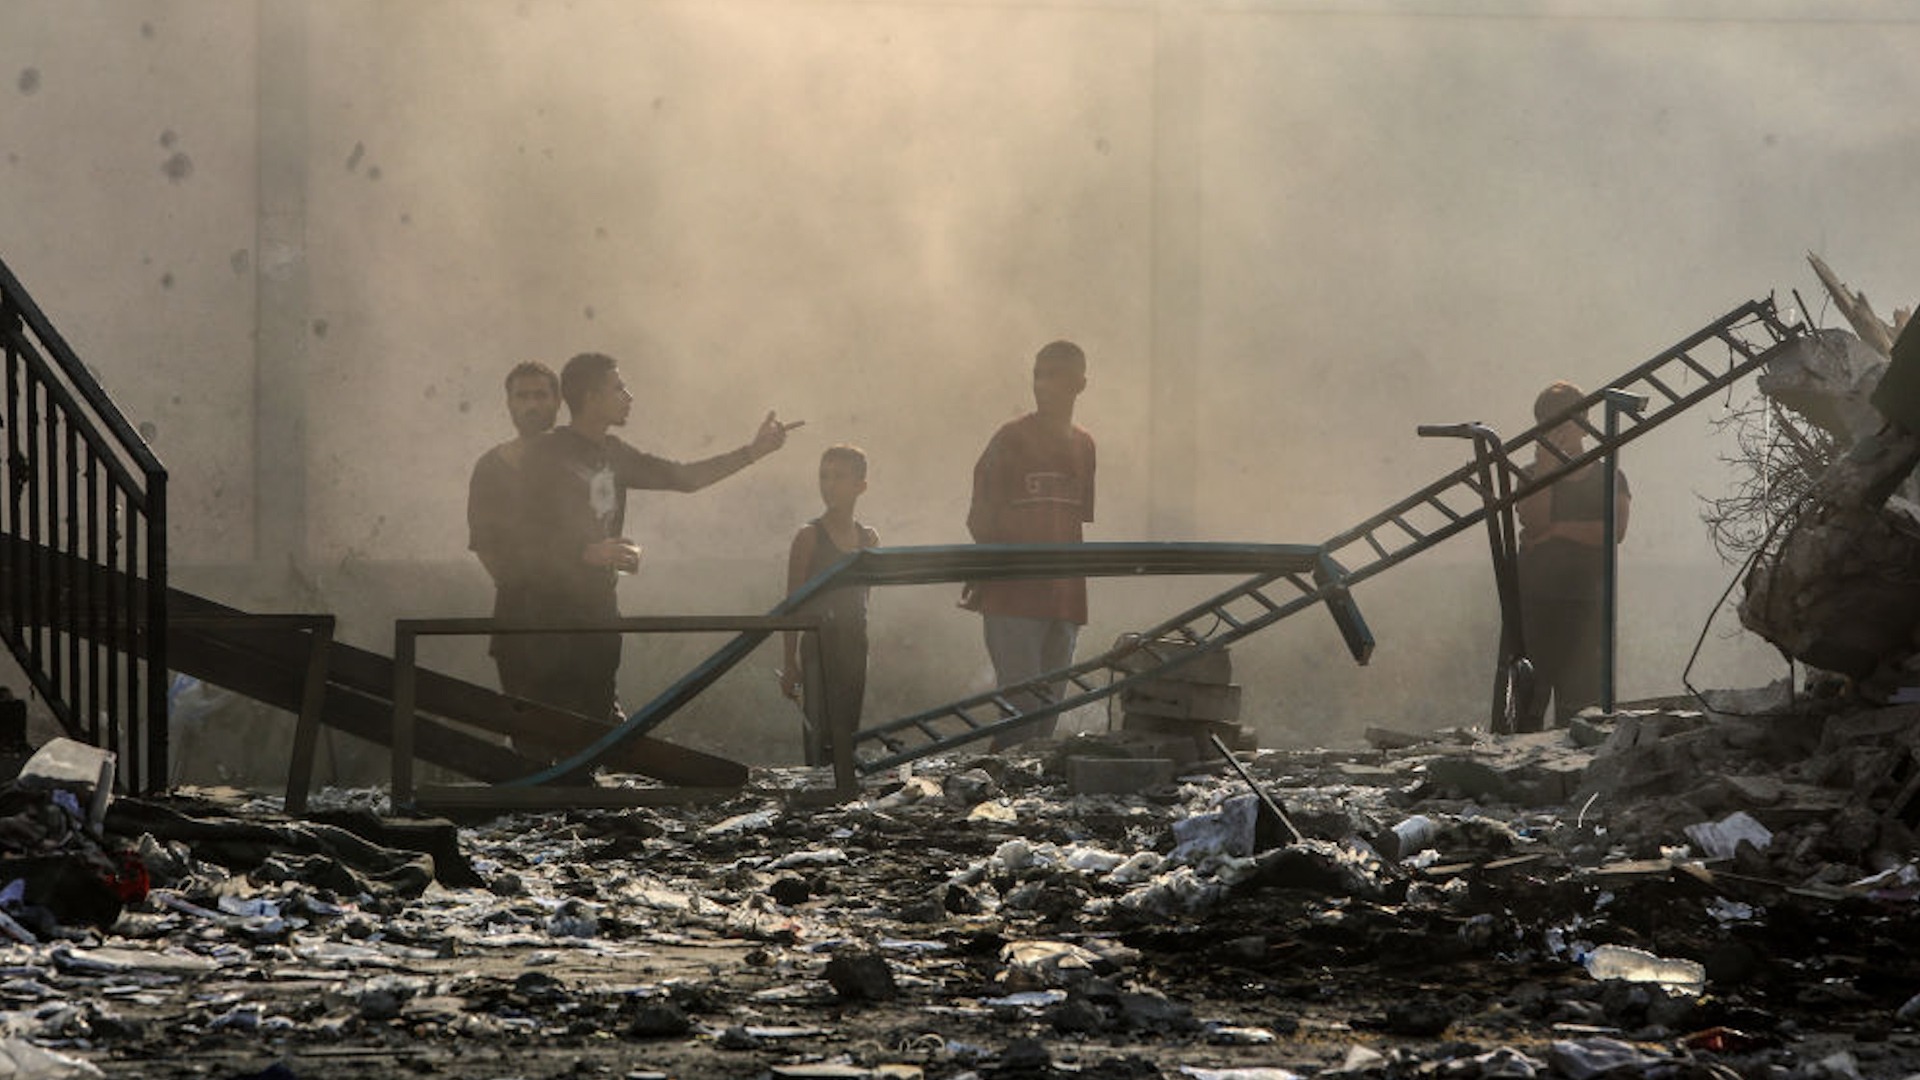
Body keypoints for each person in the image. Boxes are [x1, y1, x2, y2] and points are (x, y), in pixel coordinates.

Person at [516, 351, 795, 724]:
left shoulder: (614, 452)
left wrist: (754, 452)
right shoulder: (545, 452)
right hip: (548, 615)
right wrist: (583, 552)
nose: (629, 396)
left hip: (599, 607)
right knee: (548, 728)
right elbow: (521, 532)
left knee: (597, 724)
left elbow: (684, 479)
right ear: (590, 398)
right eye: (618, 388)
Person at [963, 340, 1096, 749]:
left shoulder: (1084, 445)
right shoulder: (1011, 438)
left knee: (1046, 722)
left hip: (1065, 597)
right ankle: (993, 798)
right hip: (1013, 595)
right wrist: (997, 567)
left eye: (1055, 375)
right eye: (1038, 374)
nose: (1043, 384)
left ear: (1080, 384)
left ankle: (1023, 803)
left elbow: (1074, 522)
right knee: (1019, 718)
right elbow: (979, 516)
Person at [1515, 380, 1630, 730]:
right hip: (1534, 605)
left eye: (1564, 421)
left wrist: (1559, 530)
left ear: (1583, 421)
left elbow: (1613, 531)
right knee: (1526, 708)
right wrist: (1547, 466)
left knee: (1581, 711)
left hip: (1586, 607)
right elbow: (1535, 522)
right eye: (1548, 423)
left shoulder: (1608, 474)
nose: (1558, 430)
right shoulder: (1530, 474)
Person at [779, 445, 879, 765]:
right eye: (824, 476)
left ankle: (841, 805)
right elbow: (791, 605)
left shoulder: (869, 539)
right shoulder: (808, 537)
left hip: (855, 644)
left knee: (847, 731)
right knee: (820, 734)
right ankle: (820, 797)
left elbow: (866, 597)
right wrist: (790, 661)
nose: (829, 485)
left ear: (861, 486)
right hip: (819, 646)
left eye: (839, 477)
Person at [466, 360, 561, 698]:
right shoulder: (491, 468)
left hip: (584, 618)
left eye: (540, 395)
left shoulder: (582, 461)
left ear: (558, 401)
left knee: (589, 733)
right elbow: (484, 543)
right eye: (522, 396)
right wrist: (521, 586)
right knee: (528, 735)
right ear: (509, 404)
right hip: (518, 619)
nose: (532, 405)